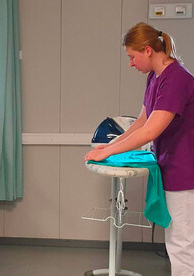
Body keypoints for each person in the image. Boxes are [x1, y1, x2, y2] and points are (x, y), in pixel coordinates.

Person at [85, 22, 194, 276]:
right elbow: (142, 122)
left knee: (182, 245)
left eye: (132, 57)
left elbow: (150, 132)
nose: (131, 64)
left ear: (147, 50)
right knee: (178, 242)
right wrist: (112, 144)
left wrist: (108, 153)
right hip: (173, 166)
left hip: (186, 170)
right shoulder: (155, 78)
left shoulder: (177, 79)